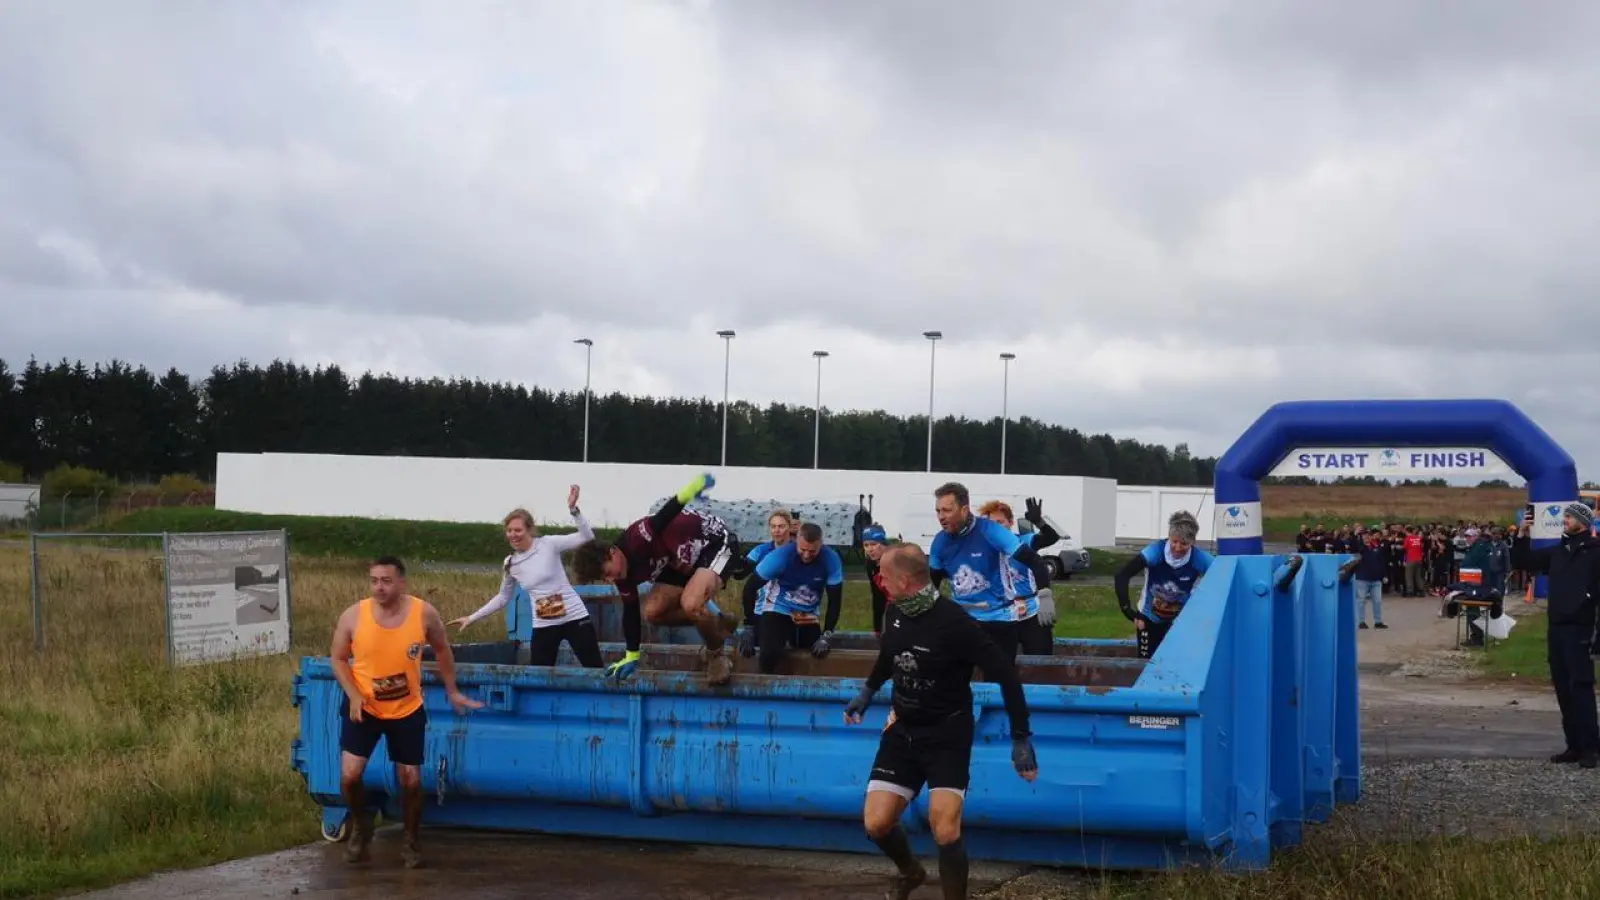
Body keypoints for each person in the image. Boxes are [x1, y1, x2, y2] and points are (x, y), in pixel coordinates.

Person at [844, 544, 1037, 900]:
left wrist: (1021, 738)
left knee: (945, 829)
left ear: (903, 580)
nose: (878, 581)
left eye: (883, 576)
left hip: (947, 733)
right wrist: (867, 693)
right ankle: (910, 872)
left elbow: (1007, 676)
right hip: (902, 730)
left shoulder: (956, 624)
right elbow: (889, 655)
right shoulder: (895, 611)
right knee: (876, 823)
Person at [328, 556, 483, 868]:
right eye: (374, 581)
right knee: (349, 776)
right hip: (365, 707)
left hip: (406, 708)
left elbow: (442, 648)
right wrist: (355, 696)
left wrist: (452, 690)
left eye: (386, 581)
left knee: (410, 779)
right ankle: (361, 825)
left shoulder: (423, 613)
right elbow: (338, 658)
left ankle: (411, 840)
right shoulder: (354, 616)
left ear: (401, 583)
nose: (379, 587)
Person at [570, 473, 746, 685]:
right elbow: (631, 612)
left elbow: (665, 514)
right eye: (603, 579)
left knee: (690, 603)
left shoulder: (637, 539)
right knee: (652, 612)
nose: (610, 580)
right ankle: (719, 622)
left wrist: (692, 488)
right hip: (682, 560)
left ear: (612, 552)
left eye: (607, 573)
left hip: (714, 541)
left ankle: (716, 654)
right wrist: (631, 654)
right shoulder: (621, 574)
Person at [447, 485, 603, 667]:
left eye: (518, 530)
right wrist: (472, 618)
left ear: (529, 530)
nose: (513, 535)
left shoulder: (548, 544)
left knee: (595, 669)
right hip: (544, 625)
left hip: (574, 617)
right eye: (509, 531)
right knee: (538, 676)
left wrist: (573, 510)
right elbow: (503, 597)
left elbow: (587, 537)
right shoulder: (510, 563)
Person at [1512, 502, 1600, 768]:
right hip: (1557, 629)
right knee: (1563, 688)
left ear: (1582, 521)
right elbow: (1522, 562)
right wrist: (1522, 535)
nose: (1565, 519)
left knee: (1581, 687)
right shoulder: (1558, 552)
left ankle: (1591, 748)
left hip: (1581, 628)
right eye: (1565, 515)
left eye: (1570, 516)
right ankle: (1573, 745)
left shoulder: (1596, 553)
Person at [927, 482, 1046, 662]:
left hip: (999, 619)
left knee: (1000, 679)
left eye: (947, 510)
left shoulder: (991, 531)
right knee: (955, 677)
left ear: (964, 510)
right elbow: (931, 585)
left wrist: (1045, 595)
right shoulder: (939, 542)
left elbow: (1035, 561)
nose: (941, 517)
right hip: (963, 619)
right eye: (938, 511)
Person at [737, 521, 843, 672]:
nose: (807, 555)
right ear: (797, 541)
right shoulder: (780, 556)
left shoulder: (831, 559)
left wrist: (826, 635)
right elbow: (749, 589)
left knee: (815, 653)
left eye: (813, 551)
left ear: (821, 545)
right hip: (779, 609)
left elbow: (835, 600)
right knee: (769, 653)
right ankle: (767, 686)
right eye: (803, 549)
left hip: (807, 614)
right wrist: (749, 626)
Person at [1113, 511, 1214, 659]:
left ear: (1192, 542)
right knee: (1146, 665)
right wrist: (1129, 612)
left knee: (1176, 663)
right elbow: (1122, 575)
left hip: (1180, 622)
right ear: (1169, 537)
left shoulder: (1199, 558)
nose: (1178, 548)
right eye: (1174, 542)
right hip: (1148, 619)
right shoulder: (1156, 551)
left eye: (1184, 544)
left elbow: (1224, 574)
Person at [976, 497, 1058, 656]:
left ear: (1010, 522)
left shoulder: (1022, 542)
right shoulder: (984, 549)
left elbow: (1051, 538)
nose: (996, 528)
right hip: (1001, 613)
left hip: (1031, 609)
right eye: (992, 524)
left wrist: (1039, 522)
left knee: (1040, 660)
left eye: (1000, 522)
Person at [1337, 528, 1389, 629]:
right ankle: (1361, 621)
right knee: (1361, 601)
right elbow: (1353, 548)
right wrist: (1355, 535)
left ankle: (1378, 621)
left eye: (1368, 535)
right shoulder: (1359, 548)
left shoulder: (1376, 547)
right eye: (1364, 536)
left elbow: (1381, 562)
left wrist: (1384, 575)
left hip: (1376, 579)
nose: (1367, 538)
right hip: (1362, 578)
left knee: (1377, 600)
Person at [861, 524, 893, 637]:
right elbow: (877, 596)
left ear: (883, 544)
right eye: (866, 545)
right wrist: (877, 628)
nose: (870, 549)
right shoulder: (870, 564)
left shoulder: (895, 561)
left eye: (874, 544)